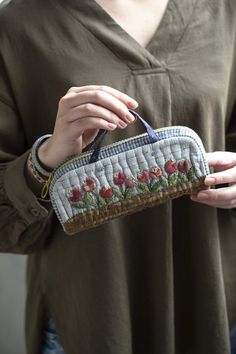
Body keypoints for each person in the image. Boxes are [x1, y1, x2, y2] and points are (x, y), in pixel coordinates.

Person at [0, 0, 235, 353]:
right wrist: (47, 157)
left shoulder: (225, 11)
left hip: (213, 302)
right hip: (90, 317)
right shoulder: (19, 25)